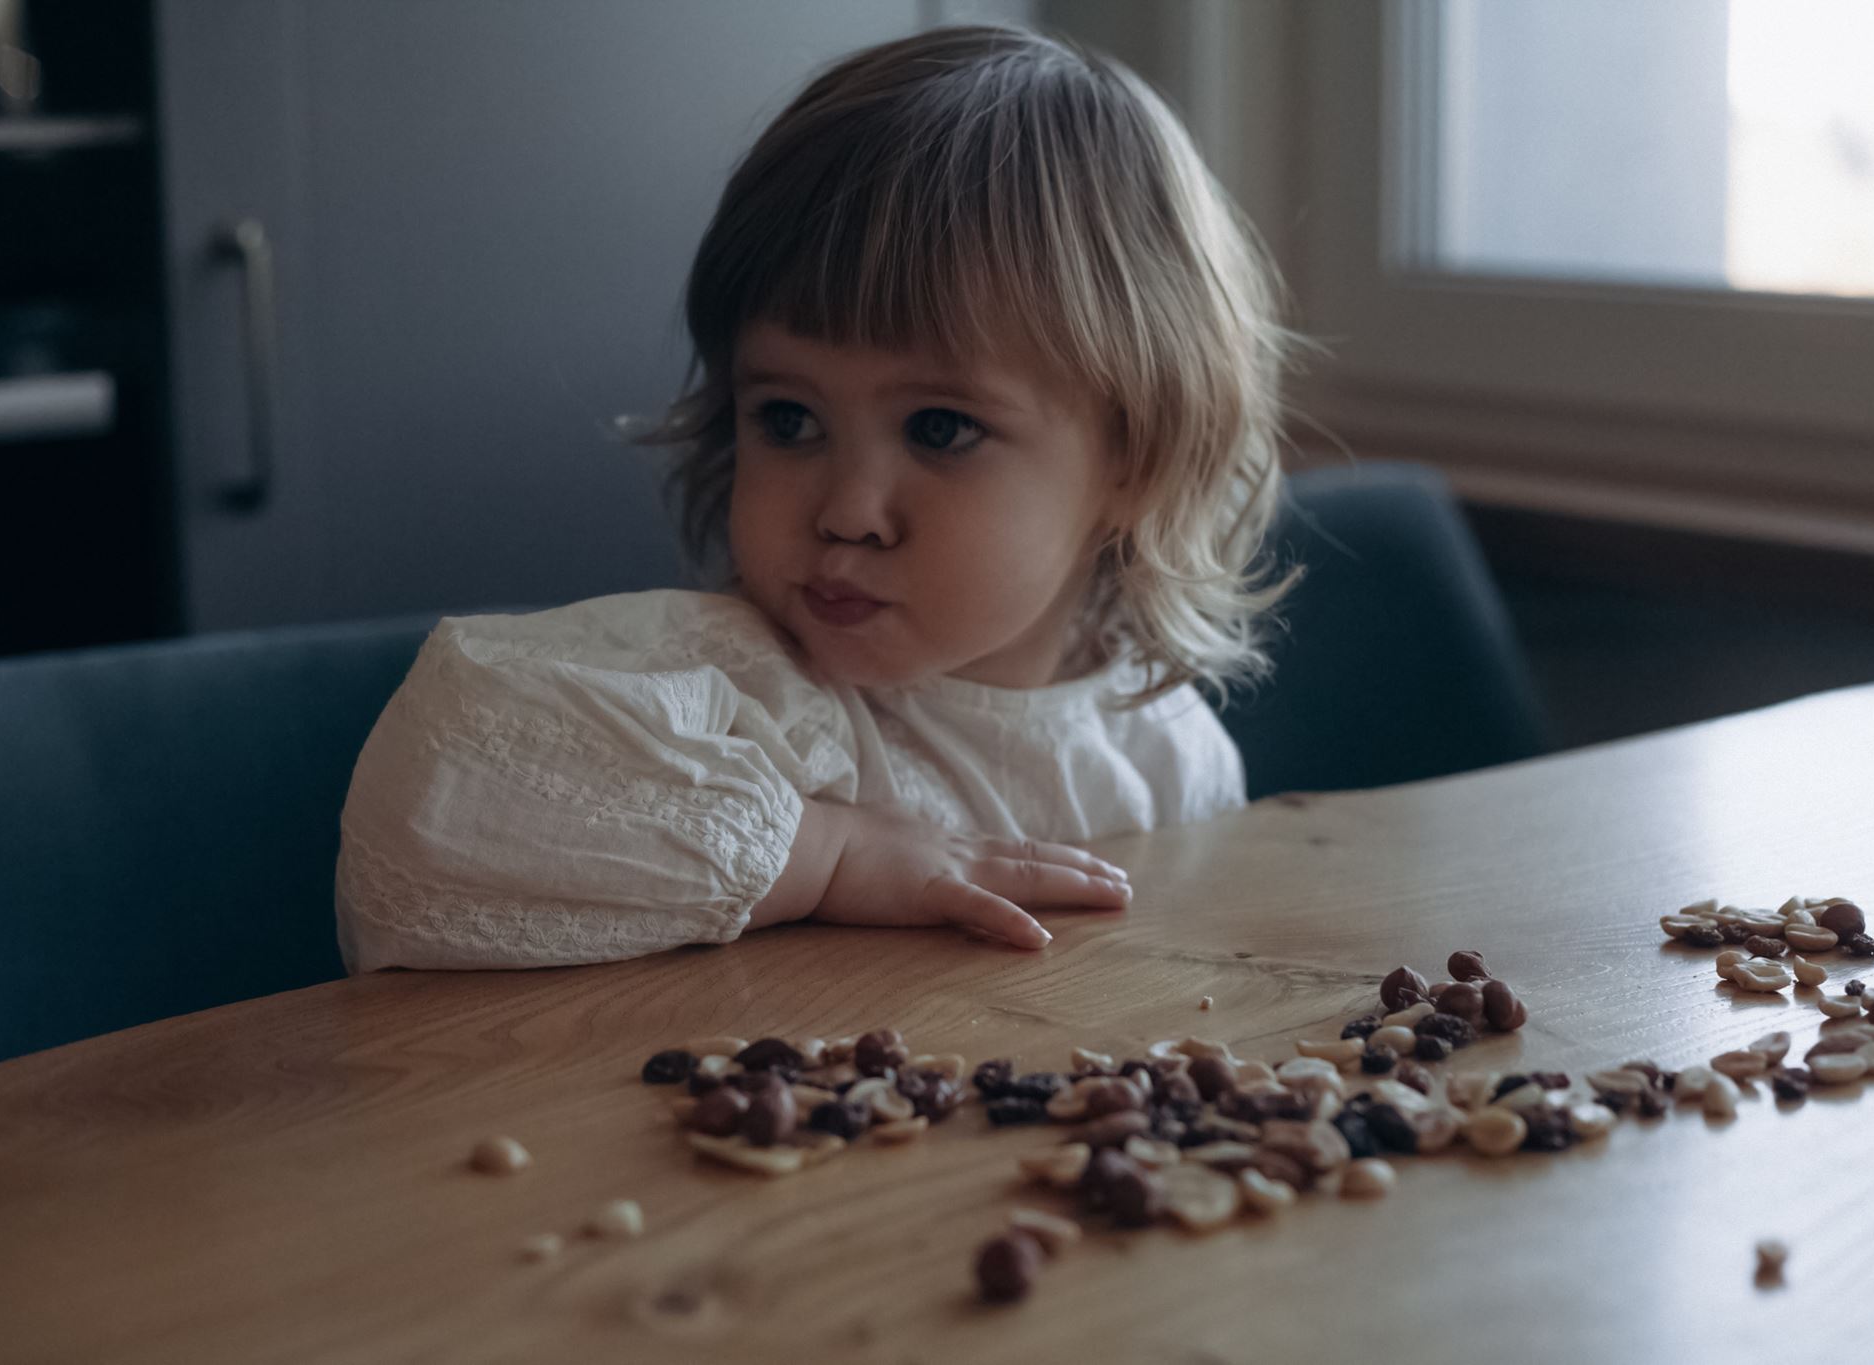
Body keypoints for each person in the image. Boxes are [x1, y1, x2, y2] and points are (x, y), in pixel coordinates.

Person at [334, 23, 1306, 971]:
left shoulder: (1170, 754)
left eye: (937, 428)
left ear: (1134, 457)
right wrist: (828, 855)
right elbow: (433, 788)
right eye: (788, 419)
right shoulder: (740, 695)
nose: (845, 510)